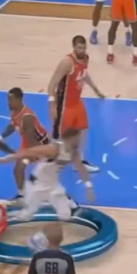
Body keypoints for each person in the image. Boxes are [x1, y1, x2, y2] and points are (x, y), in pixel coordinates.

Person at [0, 130, 93, 221]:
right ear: (69, 139)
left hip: (53, 186)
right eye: (77, 139)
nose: (79, 141)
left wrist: (89, 187)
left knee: (65, 215)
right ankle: (0, 215)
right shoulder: (53, 149)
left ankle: (68, 203)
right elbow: (28, 152)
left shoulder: (74, 154)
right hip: (37, 184)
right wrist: (5, 159)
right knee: (25, 216)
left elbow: (82, 169)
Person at [47, 36, 107, 172]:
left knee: (83, 129)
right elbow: (52, 84)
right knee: (59, 136)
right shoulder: (67, 62)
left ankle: (79, 161)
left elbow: (84, 74)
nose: (82, 50)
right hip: (64, 105)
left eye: (84, 48)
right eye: (79, 48)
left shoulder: (85, 58)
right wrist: (52, 106)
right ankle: (51, 163)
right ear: (74, 48)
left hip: (77, 102)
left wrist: (96, 90)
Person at [1, 87, 51, 202]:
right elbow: (12, 125)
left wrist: (24, 156)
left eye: (11, 99)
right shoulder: (15, 111)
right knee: (18, 169)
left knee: (38, 175)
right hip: (27, 142)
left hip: (39, 144)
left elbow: (31, 141)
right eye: (8, 99)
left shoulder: (28, 117)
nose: (9, 102)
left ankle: (63, 200)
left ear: (19, 100)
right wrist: (1, 137)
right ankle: (22, 194)